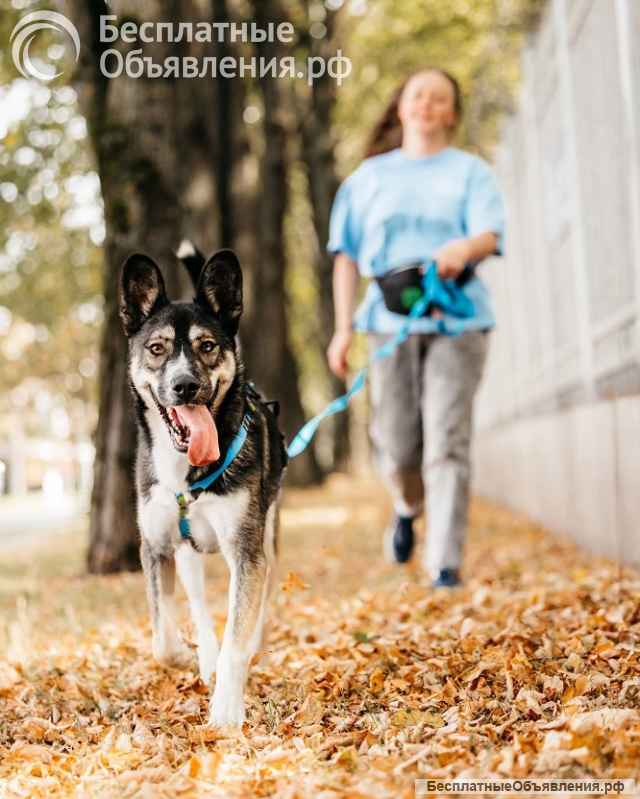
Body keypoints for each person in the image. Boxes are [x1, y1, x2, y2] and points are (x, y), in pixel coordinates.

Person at [326, 68, 505, 588]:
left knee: (447, 441)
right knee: (400, 444)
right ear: (401, 106)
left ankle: (443, 565)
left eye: (439, 99)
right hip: (387, 324)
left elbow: (489, 235)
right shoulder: (367, 179)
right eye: (417, 95)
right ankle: (407, 506)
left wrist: (463, 247)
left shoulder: (471, 173)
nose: (427, 104)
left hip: (459, 319)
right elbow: (345, 259)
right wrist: (343, 331)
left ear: (451, 113)